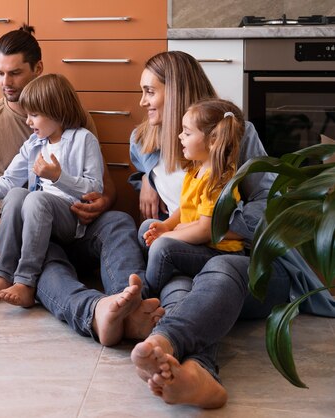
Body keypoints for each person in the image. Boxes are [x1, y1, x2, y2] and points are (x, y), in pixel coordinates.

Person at [123, 51, 335, 408]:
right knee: (179, 282)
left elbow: (268, 207)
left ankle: (163, 340)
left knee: (216, 268)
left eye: (149, 91)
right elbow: (166, 188)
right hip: (189, 254)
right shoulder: (143, 139)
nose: (142, 101)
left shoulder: (237, 133)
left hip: (250, 264)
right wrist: (144, 179)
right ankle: (194, 374)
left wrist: (211, 226)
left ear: (174, 91)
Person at [0, 24, 162, 338]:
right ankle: (95, 312)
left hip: (74, 220)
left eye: (14, 73)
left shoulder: (76, 126)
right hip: (21, 234)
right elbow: (1, 184)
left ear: (37, 69)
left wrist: (101, 203)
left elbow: (101, 186)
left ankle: (132, 302)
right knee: (41, 258)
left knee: (119, 221)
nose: (5, 82)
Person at [0, 73, 104, 308]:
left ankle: (26, 283)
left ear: (56, 111)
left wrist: (59, 178)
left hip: (69, 216)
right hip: (37, 213)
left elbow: (95, 187)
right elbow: (7, 181)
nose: (28, 121)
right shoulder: (34, 144)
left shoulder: (83, 139)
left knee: (36, 198)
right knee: (17, 194)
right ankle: (4, 276)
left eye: (34, 115)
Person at [141, 99, 245, 298]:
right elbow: (185, 208)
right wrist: (167, 225)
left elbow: (205, 231)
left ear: (212, 141)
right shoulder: (196, 169)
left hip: (218, 251)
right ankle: (154, 280)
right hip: (197, 242)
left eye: (187, 133)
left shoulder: (218, 179)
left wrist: (166, 236)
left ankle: (148, 298)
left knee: (162, 247)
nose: (180, 136)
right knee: (147, 227)